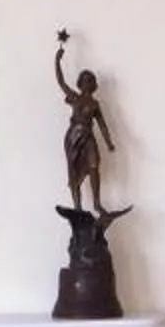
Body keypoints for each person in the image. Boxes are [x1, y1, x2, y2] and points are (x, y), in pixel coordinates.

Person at [54, 29, 117, 215]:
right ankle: (78, 207)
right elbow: (61, 81)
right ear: (81, 83)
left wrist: (109, 142)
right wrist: (57, 60)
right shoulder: (74, 97)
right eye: (85, 80)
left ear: (94, 85)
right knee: (74, 171)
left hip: (88, 136)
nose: (88, 82)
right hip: (74, 136)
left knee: (94, 165)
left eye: (91, 80)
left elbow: (102, 125)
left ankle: (97, 203)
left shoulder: (95, 104)